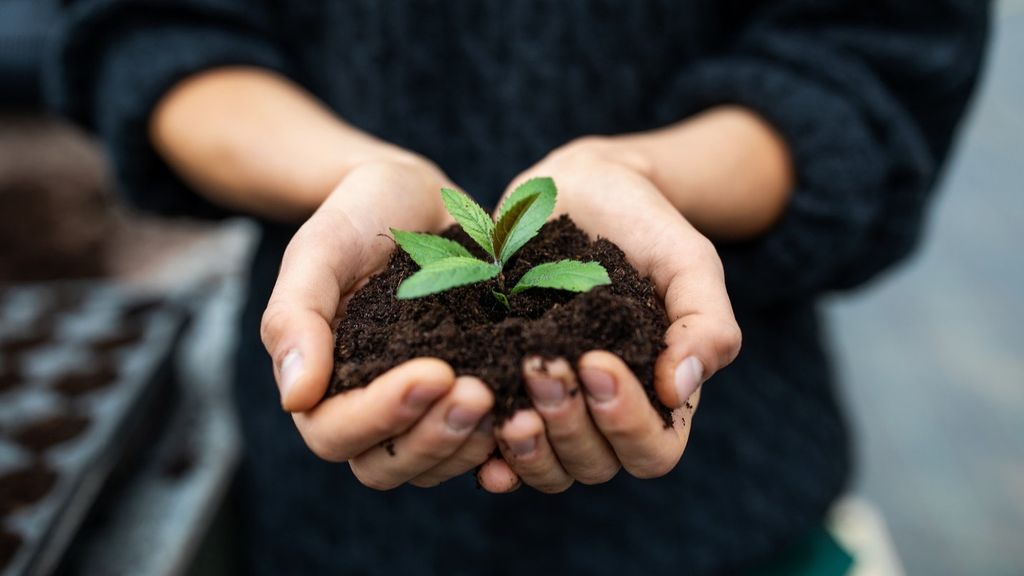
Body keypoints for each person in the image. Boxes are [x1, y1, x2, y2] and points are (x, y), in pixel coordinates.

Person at [48, 1, 989, 574]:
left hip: (730, 510)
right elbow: (150, 25)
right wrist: (345, 174)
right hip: (327, 531)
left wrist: (649, 173)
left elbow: (872, 48)